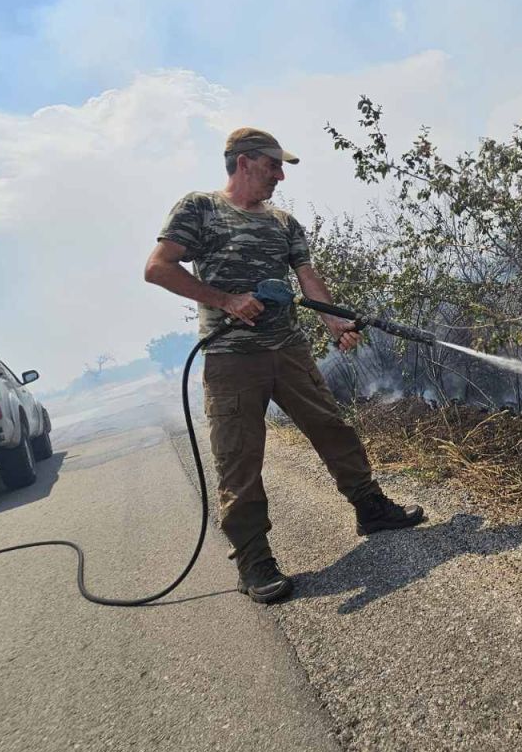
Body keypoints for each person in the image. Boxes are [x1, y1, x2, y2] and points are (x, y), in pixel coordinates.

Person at [144, 127, 425, 604]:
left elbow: (308, 279)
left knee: (332, 428)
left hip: (289, 350)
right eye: (274, 165)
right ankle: (254, 561)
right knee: (239, 460)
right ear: (246, 161)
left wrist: (337, 325)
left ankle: (370, 509)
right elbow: (157, 267)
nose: (279, 176)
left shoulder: (282, 222)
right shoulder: (200, 208)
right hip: (231, 360)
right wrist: (226, 300)